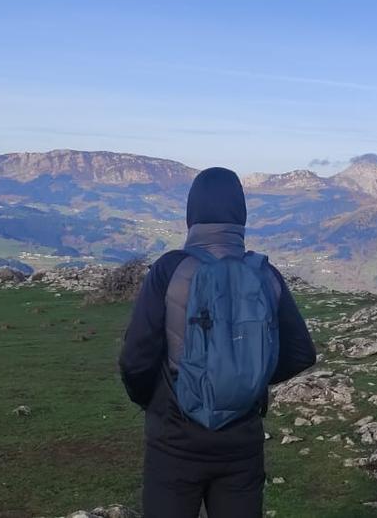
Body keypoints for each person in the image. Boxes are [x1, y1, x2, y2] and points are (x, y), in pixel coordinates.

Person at [119, 167, 317, 518]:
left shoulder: (169, 271)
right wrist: (246, 377)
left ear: (191, 214)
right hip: (241, 445)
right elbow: (301, 352)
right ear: (240, 214)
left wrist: (154, 401)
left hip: (173, 442)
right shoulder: (265, 274)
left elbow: (136, 359)